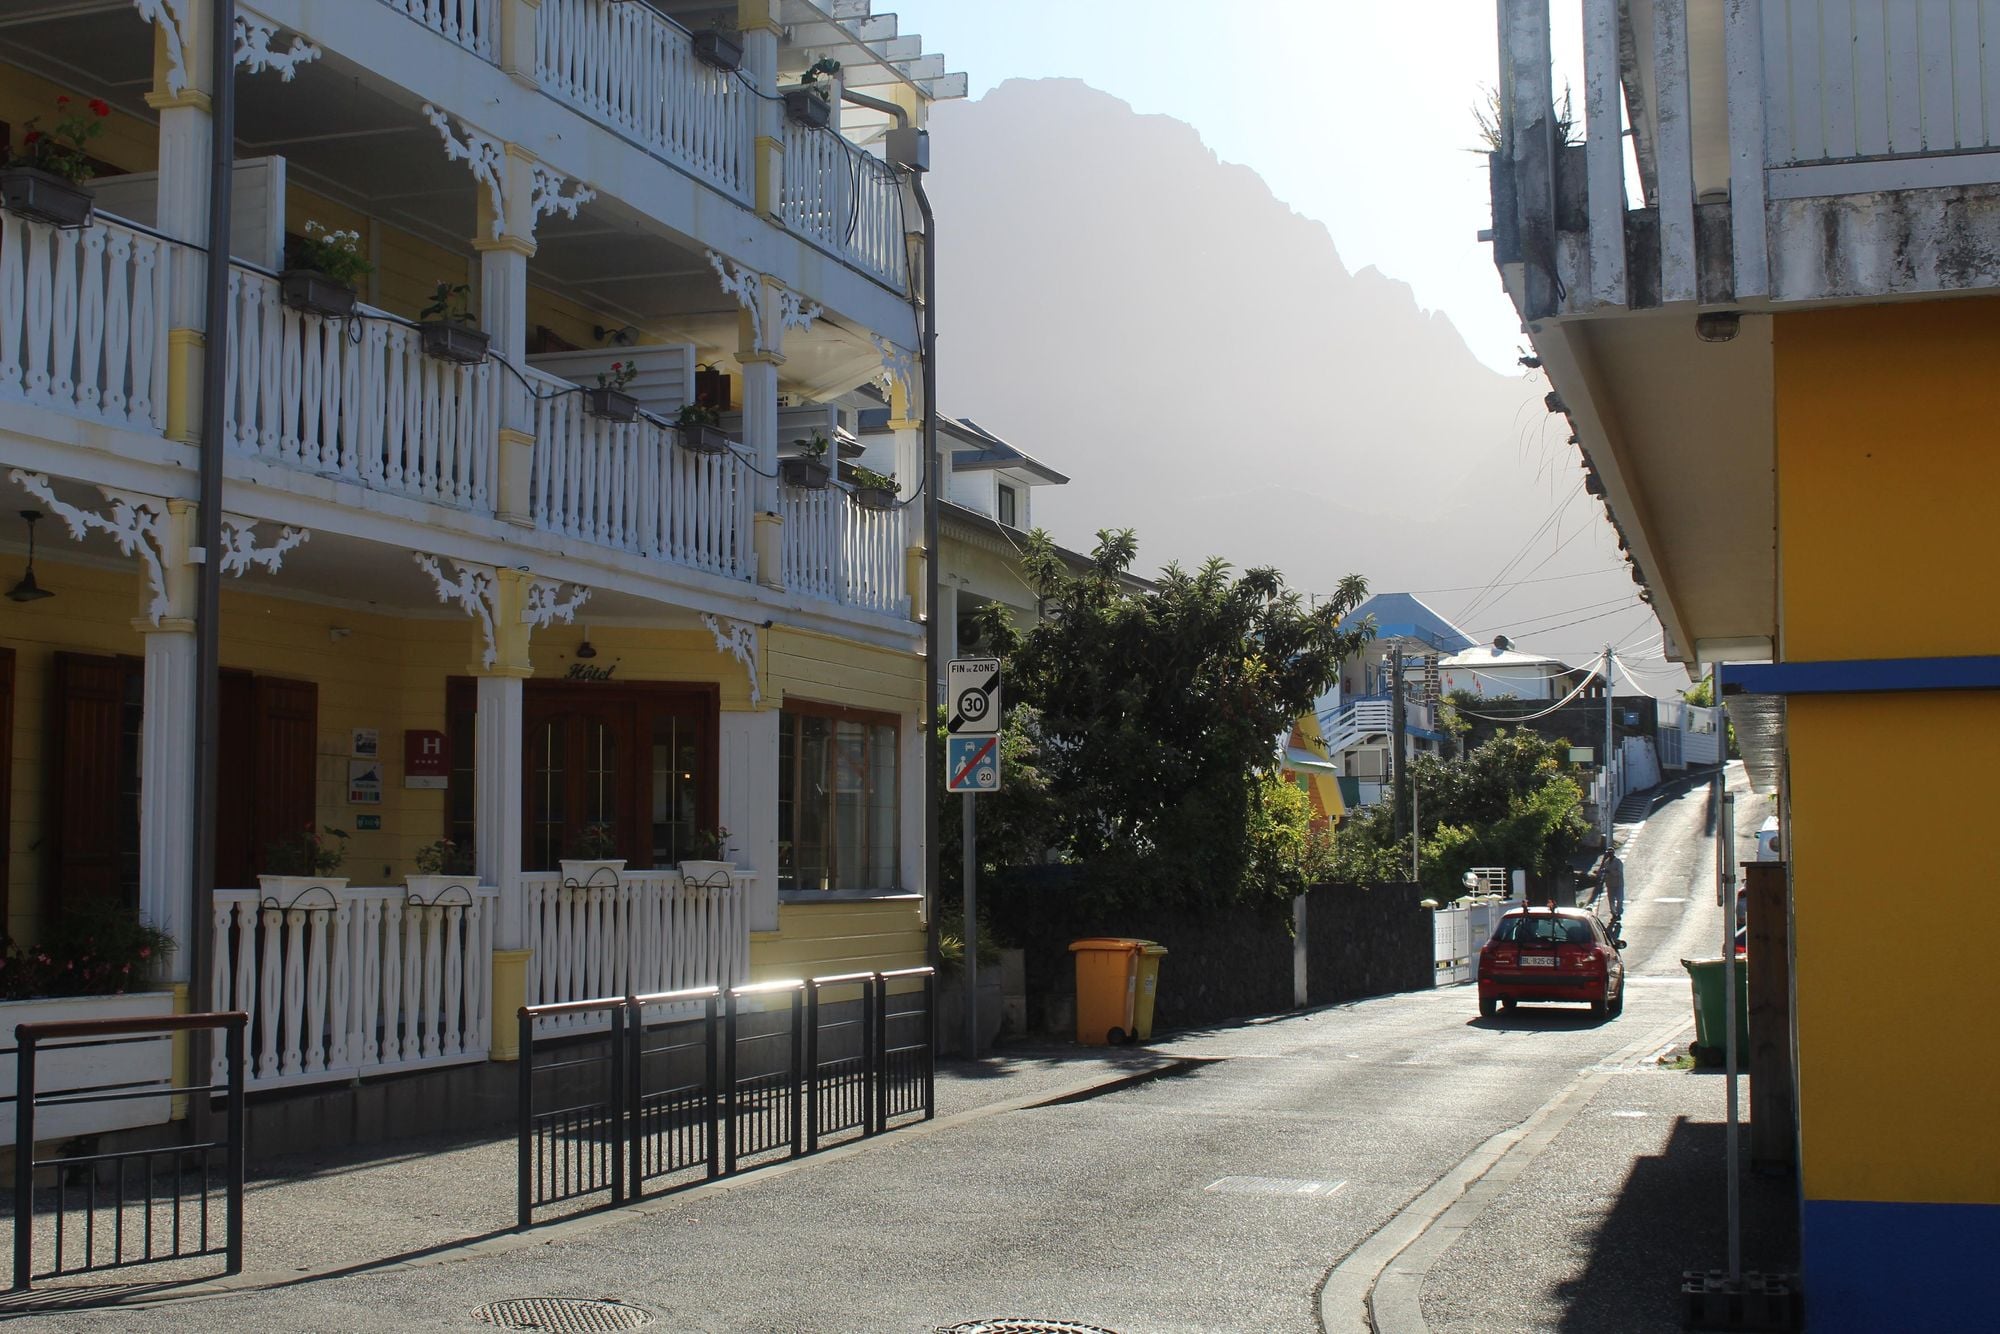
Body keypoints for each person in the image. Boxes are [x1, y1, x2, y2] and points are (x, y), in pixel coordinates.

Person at [1601, 850, 1626, 920]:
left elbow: (1619, 873)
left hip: (1618, 884)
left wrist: (1610, 872)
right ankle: (1614, 913)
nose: (1609, 854)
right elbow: (1605, 873)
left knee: (1619, 899)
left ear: (1613, 853)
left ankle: (1619, 912)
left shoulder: (1618, 862)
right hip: (1610, 884)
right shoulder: (1606, 862)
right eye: (1608, 853)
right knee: (1611, 900)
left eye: (1610, 853)